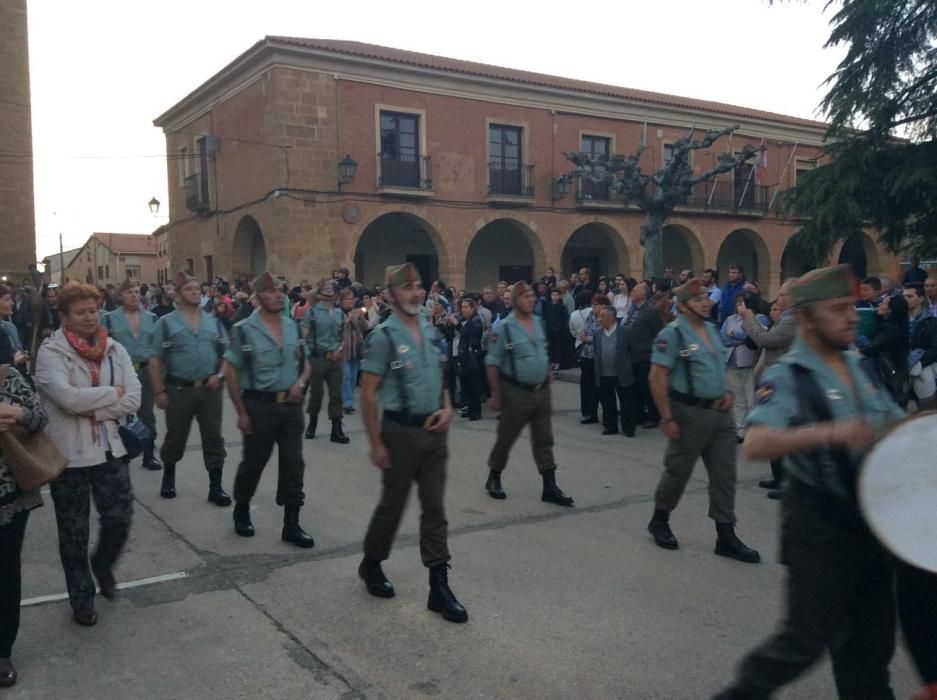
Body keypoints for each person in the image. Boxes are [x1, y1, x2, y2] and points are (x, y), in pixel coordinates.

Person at [714, 264, 905, 700]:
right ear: (806, 318)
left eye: (852, 307)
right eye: (837, 309)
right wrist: (828, 432)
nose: (852, 317)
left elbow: (895, 428)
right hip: (818, 528)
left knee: (871, 649)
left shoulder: (858, 365)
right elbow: (757, 443)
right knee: (802, 642)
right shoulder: (789, 375)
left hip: (870, 527)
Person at [358, 263, 467, 623]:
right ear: (390, 296)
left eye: (418, 286)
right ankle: (372, 563)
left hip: (434, 431)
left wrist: (448, 406)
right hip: (399, 432)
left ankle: (439, 586)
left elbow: (440, 374)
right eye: (406, 288)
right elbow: (369, 393)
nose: (415, 292)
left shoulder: (430, 329)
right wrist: (376, 443)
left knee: (435, 509)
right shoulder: (383, 337)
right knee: (393, 505)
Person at [35, 282, 140, 627]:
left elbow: (134, 397)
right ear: (64, 316)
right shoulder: (51, 353)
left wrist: (97, 410)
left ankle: (104, 563)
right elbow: (67, 399)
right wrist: (112, 394)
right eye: (80, 312)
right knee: (73, 532)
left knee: (120, 516)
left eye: (93, 310)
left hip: (109, 448)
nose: (89, 318)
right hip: (70, 456)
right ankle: (81, 597)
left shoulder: (114, 349)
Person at [646, 279, 760, 563]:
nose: (705, 303)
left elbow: (718, 367)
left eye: (706, 299)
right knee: (678, 471)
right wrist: (667, 418)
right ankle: (660, 519)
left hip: (720, 414)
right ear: (683, 306)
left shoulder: (711, 329)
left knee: (724, 475)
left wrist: (727, 392)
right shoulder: (673, 334)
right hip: (687, 413)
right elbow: (657, 377)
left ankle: (726, 535)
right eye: (697, 300)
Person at [224, 272, 315, 547]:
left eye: (282, 290)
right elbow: (231, 371)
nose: (279, 295)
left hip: (290, 407)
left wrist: (300, 382)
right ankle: (242, 508)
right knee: (254, 463)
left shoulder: (293, 327)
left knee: (293, 464)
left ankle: (292, 523)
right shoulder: (244, 329)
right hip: (258, 406)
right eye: (272, 291)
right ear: (259, 297)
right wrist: (241, 412)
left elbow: (306, 363)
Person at [483, 282, 574, 506]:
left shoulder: (538, 322)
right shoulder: (503, 327)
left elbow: (542, 350)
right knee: (507, 437)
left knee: (544, 439)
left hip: (540, 391)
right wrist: (496, 394)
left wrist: (546, 372)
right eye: (526, 297)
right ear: (515, 301)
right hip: (516, 392)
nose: (531, 300)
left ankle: (549, 486)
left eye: (533, 296)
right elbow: (493, 363)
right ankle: (494, 476)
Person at [148, 271, 231, 504]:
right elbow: (155, 360)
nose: (195, 292)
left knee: (214, 437)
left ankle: (216, 487)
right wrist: (158, 391)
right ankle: (169, 476)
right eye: (188, 289)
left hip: (210, 390)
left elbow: (227, 354)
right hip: (179, 389)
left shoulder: (213, 321)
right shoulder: (165, 324)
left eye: (197, 289)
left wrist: (220, 375)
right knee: (175, 436)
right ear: (177, 295)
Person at [0, 331, 46, 688]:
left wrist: (17, 412)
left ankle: (2, 651)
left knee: (5, 572)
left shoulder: (8, 376)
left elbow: (39, 417)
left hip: (7, 496)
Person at [738, 278, 798, 499]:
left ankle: (788, 482)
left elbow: (766, 339)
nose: (778, 298)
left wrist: (748, 319)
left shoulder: (793, 321)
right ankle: (779, 476)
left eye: (783, 295)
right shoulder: (785, 318)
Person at [104, 280, 161, 471]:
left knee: (147, 414)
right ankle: (119, 453)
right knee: (119, 413)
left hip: (145, 370)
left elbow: (157, 349)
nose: (134, 295)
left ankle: (149, 454)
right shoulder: (110, 318)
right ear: (121, 296)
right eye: (129, 292)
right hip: (120, 372)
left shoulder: (152, 318)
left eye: (137, 292)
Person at [301, 282, 348, 443]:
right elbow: (303, 337)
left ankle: (336, 428)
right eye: (326, 290)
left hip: (335, 358)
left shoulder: (339, 313)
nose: (329, 292)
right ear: (319, 294)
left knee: (336, 393)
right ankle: (312, 423)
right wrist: (307, 357)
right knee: (316, 393)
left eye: (331, 290)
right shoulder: (312, 313)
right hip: (317, 357)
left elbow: (343, 336)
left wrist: (340, 349)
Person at [721, 294, 763, 443]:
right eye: (737, 302)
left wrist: (736, 335)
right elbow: (723, 337)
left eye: (742, 303)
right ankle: (740, 430)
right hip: (731, 362)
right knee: (738, 399)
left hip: (748, 363)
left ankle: (754, 430)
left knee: (751, 398)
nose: (739, 306)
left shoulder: (758, 318)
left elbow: (753, 337)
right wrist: (740, 340)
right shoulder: (730, 319)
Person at [623, 283, 663, 428]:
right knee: (636, 388)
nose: (631, 292)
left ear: (643, 294)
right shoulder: (632, 310)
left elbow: (658, 333)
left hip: (645, 355)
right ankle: (639, 414)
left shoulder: (651, 311)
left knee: (647, 388)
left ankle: (653, 416)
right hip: (631, 355)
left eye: (634, 290)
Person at [593, 305, 636, 436]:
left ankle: (628, 427)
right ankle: (610, 426)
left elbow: (632, 350)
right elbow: (596, 350)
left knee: (626, 401)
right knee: (607, 402)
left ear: (612, 317)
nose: (600, 319)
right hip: (604, 373)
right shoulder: (597, 333)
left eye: (603, 316)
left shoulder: (625, 331)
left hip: (621, 373)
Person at [860, 293, 910, 407]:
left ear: (891, 309)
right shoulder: (887, 325)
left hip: (888, 378)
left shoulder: (891, 331)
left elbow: (868, 349)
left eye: (883, 303)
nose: (879, 305)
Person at [573, 292, 606, 425]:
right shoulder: (591, 316)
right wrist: (583, 335)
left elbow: (602, 335)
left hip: (597, 356)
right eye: (592, 304)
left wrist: (588, 338)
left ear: (603, 305)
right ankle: (587, 412)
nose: (593, 307)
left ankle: (597, 413)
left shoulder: (605, 317)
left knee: (597, 386)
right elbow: (586, 329)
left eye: (596, 305)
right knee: (586, 385)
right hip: (586, 354)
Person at [904, 283, 937, 411]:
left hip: (922, 365)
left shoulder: (932, 322)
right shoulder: (898, 321)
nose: (905, 299)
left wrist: (918, 363)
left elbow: (935, 348)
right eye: (904, 296)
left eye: (910, 296)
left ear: (921, 298)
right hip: (903, 368)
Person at [338, 288, 367, 415]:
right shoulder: (337, 313)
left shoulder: (356, 312)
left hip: (356, 349)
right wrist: (347, 321)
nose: (350, 301)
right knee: (346, 376)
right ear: (341, 301)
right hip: (343, 350)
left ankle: (347, 399)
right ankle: (347, 403)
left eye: (351, 298)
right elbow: (335, 328)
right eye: (347, 299)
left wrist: (360, 319)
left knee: (353, 378)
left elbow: (365, 328)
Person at [456, 298, 484, 420]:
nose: (463, 310)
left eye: (466, 307)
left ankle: (476, 411)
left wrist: (456, 325)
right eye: (462, 307)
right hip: (463, 355)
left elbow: (468, 333)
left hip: (473, 355)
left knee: (473, 385)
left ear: (473, 308)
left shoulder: (476, 320)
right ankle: (469, 407)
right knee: (465, 384)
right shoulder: (464, 320)